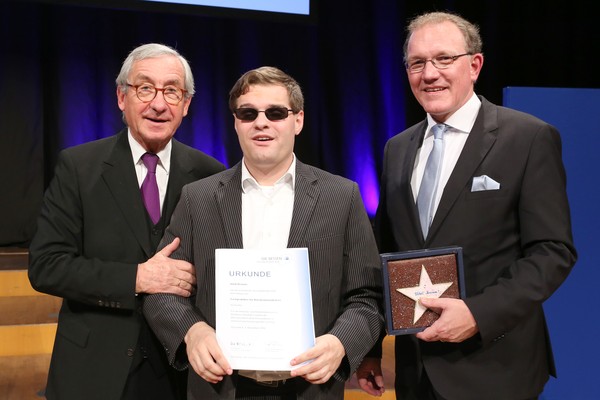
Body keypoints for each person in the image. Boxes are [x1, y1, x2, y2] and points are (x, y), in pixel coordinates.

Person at [356, 11, 577, 400]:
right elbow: (385, 257)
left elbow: (552, 252)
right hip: (416, 370)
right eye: (417, 63)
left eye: (444, 59)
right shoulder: (397, 148)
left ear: (474, 65)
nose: (429, 73)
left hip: (495, 368)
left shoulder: (527, 138)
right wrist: (371, 349)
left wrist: (478, 314)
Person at [143, 66, 384, 400]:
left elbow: (367, 298)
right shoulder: (198, 199)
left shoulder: (341, 197)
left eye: (275, 112)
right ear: (236, 122)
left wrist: (340, 343)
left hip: (310, 390)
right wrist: (192, 332)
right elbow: (162, 290)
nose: (261, 122)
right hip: (221, 388)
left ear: (297, 120)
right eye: (248, 113)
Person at [28, 43, 225, 400]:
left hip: (180, 371)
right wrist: (138, 277)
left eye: (172, 91)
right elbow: (46, 266)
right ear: (122, 97)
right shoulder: (79, 167)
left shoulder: (210, 175)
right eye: (145, 88)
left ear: (186, 104)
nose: (159, 103)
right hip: (93, 371)